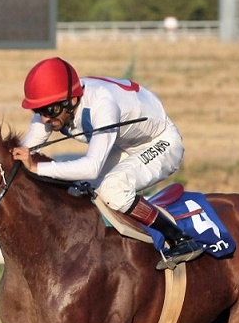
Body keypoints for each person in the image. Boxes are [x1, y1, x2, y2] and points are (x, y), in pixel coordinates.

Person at [10, 57, 204, 270]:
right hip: (121, 144)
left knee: (113, 189)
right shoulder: (56, 105)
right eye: (39, 111)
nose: (45, 119)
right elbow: (24, 151)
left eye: (50, 111)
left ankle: (180, 239)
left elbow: (91, 167)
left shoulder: (102, 104)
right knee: (78, 189)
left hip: (160, 142)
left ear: (71, 101)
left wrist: (38, 167)